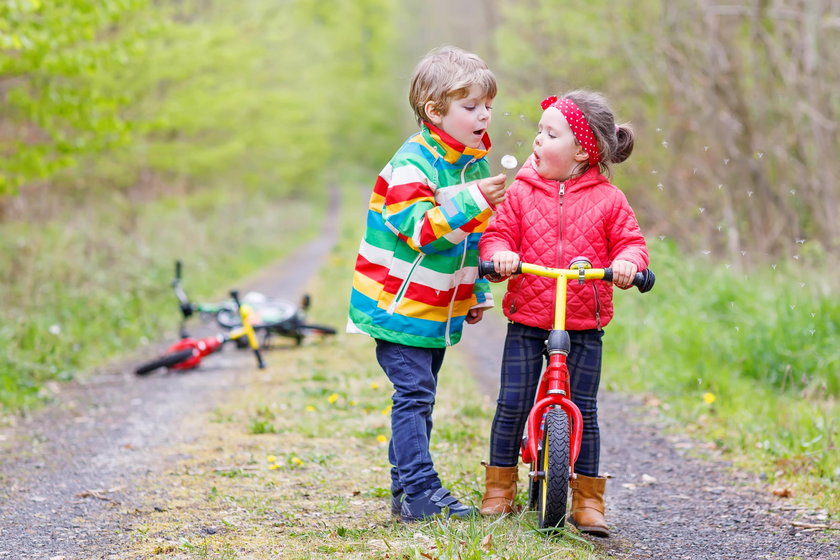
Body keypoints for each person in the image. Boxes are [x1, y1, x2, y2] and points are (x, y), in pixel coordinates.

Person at [477, 90, 649, 537]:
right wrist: (499, 256)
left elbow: (631, 243)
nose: (537, 140)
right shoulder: (519, 193)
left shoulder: (609, 200)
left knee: (585, 410)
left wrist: (629, 265)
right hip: (527, 317)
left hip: (583, 322)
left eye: (549, 133)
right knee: (511, 404)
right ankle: (499, 488)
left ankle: (588, 500)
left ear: (581, 151)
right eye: (539, 130)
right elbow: (496, 235)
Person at [347, 46, 508, 522]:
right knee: (414, 395)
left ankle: (405, 491)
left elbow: (470, 240)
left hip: (436, 307)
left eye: (487, 105)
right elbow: (419, 229)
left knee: (421, 395)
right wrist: (474, 198)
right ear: (434, 111)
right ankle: (420, 491)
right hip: (395, 307)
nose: (484, 115)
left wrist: (475, 291)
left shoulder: (470, 164)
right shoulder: (412, 164)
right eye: (471, 106)